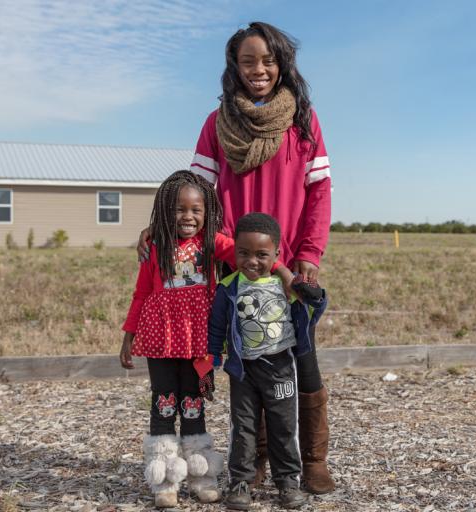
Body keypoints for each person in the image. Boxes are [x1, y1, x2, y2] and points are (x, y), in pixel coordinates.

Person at [190, 21, 334, 494]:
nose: (259, 70)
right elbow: (200, 196)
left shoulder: (303, 121)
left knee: (302, 363)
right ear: (234, 66)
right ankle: (252, 463)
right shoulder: (216, 125)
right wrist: (231, 251)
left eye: (268, 60)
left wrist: (308, 255)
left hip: (291, 270)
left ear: (282, 64)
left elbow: (319, 192)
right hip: (239, 269)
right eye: (248, 60)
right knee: (250, 366)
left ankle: (311, 461)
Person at [122, 171, 293, 508]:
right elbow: (141, 293)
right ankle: (166, 480)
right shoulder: (156, 246)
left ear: (207, 212)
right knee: (164, 402)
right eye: (179, 209)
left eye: (196, 210)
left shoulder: (213, 243)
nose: (188, 217)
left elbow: (253, 253)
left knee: (193, 402)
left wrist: (284, 272)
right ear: (165, 210)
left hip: (199, 340)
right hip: (162, 338)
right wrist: (129, 335)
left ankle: (202, 474)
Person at [208, 213, 328, 510]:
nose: (251, 261)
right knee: (243, 427)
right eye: (243, 253)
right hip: (243, 371)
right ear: (234, 251)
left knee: (283, 426)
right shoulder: (228, 287)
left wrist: (309, 290)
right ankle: (240, 482)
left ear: (276, 254)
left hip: (280, 369)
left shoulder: (284, 284)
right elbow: (216, 327)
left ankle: (287, 482)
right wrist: (210, 361)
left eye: (262, 255)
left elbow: (317, 304)